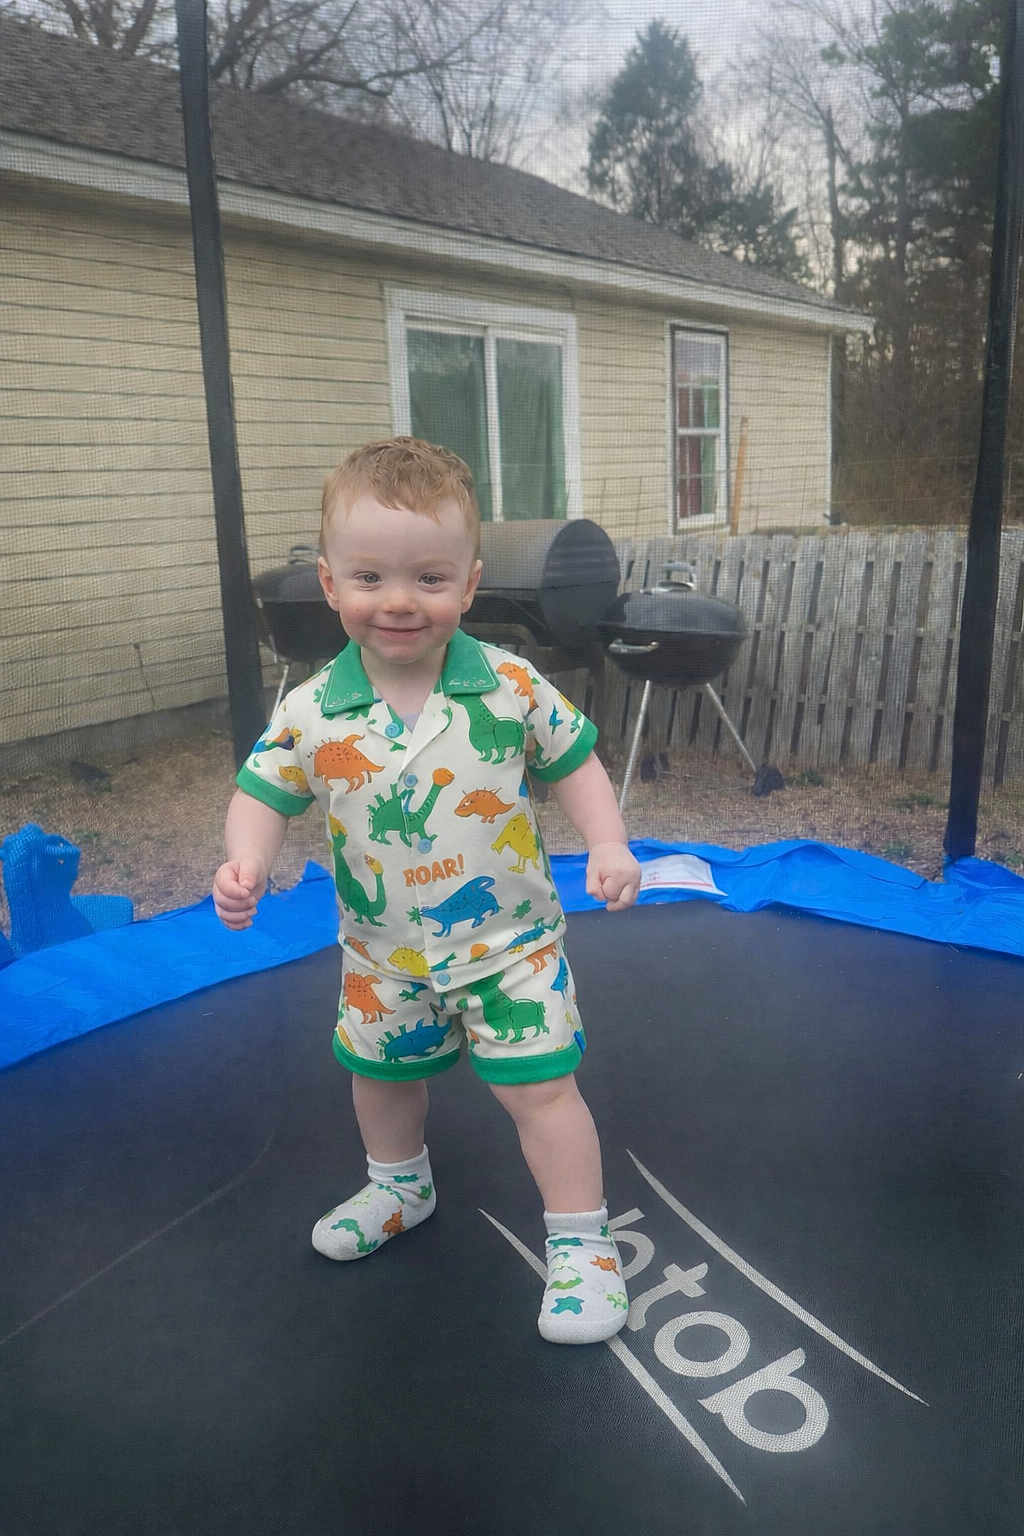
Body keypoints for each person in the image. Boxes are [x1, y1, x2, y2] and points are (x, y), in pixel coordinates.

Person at [212, 437, 641, 1344]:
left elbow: (575, 762)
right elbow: (261, 793)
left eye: (430, 578)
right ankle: (399, 1186)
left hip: (512, 948)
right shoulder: (311, 710)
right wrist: (245, 861)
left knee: (543, 1092)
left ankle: (582, 1242)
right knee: (379, 1082)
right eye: (370, 577)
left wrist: (607, 843)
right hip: (382, 959)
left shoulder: (508, 684)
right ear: (330, 585)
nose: (400, 601)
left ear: (469, 584)